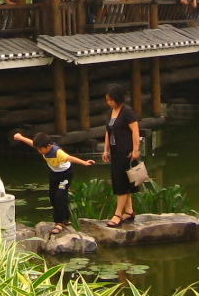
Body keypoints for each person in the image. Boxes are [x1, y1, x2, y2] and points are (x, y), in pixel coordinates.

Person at [13, 131, 94, 235]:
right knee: (52, 196)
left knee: (60, 196)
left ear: (48, 146)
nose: (39, 151)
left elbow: (70, 158)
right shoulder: (42, 146)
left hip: (65, 174)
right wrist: (20, 137)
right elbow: (31, 143)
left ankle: (60, 222)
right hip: (55, 173)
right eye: (38, 149)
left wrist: (84, 162)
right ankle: (65, 217)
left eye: (41, 149)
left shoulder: (58, 153)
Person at [102, 84, 140, 227]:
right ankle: (129, 211)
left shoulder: (127, 112)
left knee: (122, 184)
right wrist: (106, 150)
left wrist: (135, 150)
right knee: (120, 182)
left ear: (118, 98)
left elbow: (135, 130)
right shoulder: (110, 113)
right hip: (115, 152)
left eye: (111, 100)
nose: (109, 103)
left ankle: (118, 214)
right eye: (107, 100)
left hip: (126, 152)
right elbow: (108, 131)